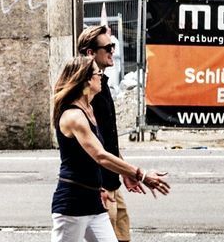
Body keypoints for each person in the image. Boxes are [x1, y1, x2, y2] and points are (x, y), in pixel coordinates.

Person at [51, 56, 169, 242]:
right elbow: (100, 155)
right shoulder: (74, 116)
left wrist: (101, 184)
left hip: (94, 201)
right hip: (72, 204)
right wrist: (141, 175)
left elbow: (97, 154)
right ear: (87, 79)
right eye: (98, 74)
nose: (102, 77)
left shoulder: (89, 109)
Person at [76, 23, 134, 241]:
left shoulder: (103, 84)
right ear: (91, 53)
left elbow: (107, 139)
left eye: (113, 46)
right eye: (108, 48)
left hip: (112, 183)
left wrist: (124, 172)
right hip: (99, 186)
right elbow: (89, 146)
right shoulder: (86, 92)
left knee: (123, 237)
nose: (113, 51)